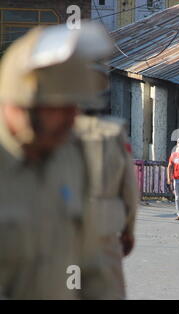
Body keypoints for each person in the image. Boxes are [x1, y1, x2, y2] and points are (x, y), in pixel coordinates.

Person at [0, 23, 113, 299]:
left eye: (75, 106)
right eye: (59, 107)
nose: (72, 118)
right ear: (21, 103)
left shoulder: (71, 158)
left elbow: (91, 265)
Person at [74, 112, 138, 299]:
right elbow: (129, 189)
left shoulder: (54, 129)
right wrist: (129, 230)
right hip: (104, 231)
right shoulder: (114, 131)